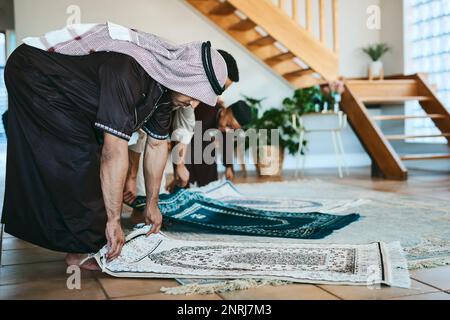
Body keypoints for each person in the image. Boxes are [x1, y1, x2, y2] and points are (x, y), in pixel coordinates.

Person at [1, 22, 227, 269]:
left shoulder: (168, 87)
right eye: (194, 94)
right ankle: (81, 249)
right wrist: (113, 220)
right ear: (184, 76)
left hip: (68, 90)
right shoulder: (129, 69)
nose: (193, 103)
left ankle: (81, 238)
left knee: (87, 158)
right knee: (81, 160)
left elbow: (156, 145)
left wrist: (152, 203)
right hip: (35, 71)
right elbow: (114, 151)